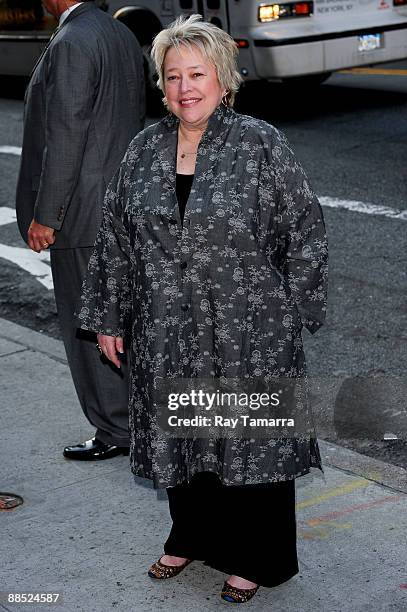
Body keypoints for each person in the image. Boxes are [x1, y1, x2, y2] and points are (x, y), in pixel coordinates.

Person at [77, 14, 328, 604]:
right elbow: (115, 235)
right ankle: (191, 534)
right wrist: (109, 315)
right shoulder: (144, 147)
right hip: (166, 326)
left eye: (198, 73)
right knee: (187, 435)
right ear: (160, 86)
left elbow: (306, 228)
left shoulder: (259, 141)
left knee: (250, 443)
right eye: (172, 76)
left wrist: (289, 312)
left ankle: (256, 557)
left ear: (223, 79)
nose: (185, 87)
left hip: (248, 329)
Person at [15, 0, 145, 460]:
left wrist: (47, 214)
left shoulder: (72, 40)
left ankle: (116, 429)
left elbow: (65, 133)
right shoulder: (118, 34)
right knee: (120, 320)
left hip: (83, 213)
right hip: (121, 201)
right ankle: (137, 420)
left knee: (90, 324)